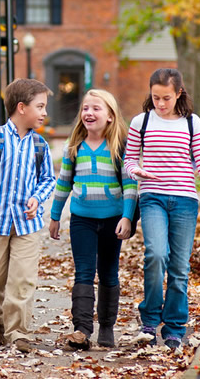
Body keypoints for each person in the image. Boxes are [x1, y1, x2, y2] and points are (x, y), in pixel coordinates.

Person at [123, 68, 200, 350]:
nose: (160, 104)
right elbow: (129, 159)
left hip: (184, 201)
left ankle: (174, 328)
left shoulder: (192, 123)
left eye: (166, 98)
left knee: (179, 268)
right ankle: (149, 320)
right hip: (152, 197)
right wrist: (136, 170)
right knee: (156, 255)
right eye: (155, 97)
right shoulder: (140, 122)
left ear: (178, 93)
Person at [0, 78, 57, 353]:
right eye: (39, 106)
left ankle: (19, 332)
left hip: (27, 223)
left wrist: (38, 197)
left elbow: (48, 180)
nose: (44, 113)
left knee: (22, 279)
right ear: (21, 108)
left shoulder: (40, 145)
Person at [49, 89, 137, 350]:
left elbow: (130, 186)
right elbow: (63, 183)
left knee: (109, 273)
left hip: (112, 220)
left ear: (110, 116)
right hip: (82, 220)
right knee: (83, 273)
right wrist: (55, 216)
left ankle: (107, 327)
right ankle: (82, 330)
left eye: (96, 108)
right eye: (85, 108)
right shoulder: (73, 147)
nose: (89, 113)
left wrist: (127, 217)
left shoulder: (120, 146)